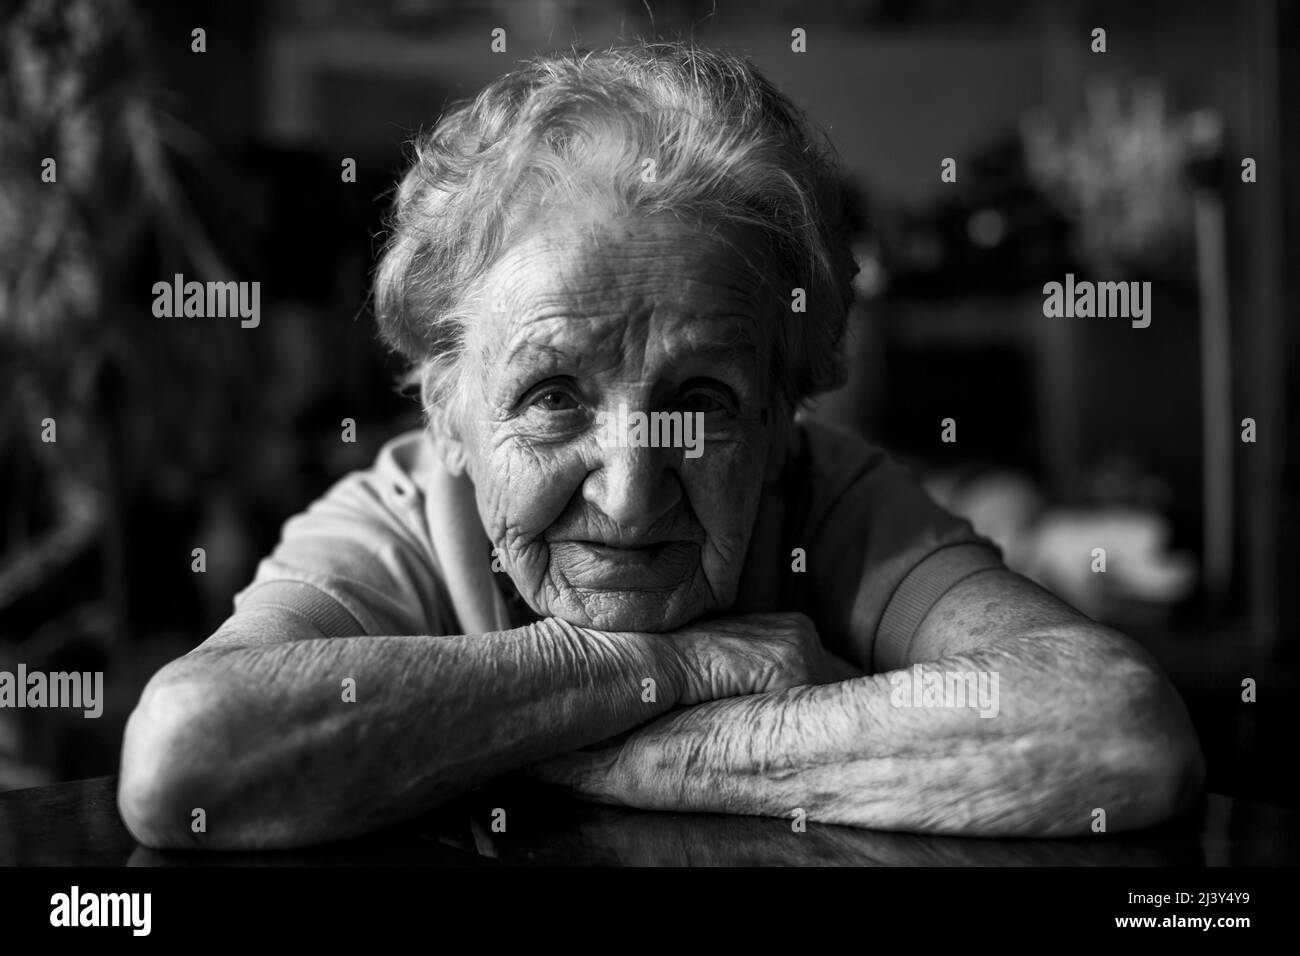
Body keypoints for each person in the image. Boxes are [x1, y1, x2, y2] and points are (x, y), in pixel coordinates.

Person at [118, 42, 1202, 850]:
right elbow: (185, 757)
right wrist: (671, 664)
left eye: (702, 397)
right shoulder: (403, 513)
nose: (631, 494)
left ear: (783, 412)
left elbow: (1115, 729)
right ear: (445, 407)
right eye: (550, 394)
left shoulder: (828, 493)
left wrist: (675, 748)